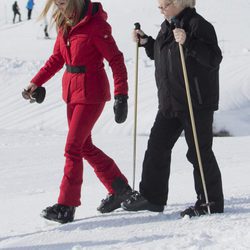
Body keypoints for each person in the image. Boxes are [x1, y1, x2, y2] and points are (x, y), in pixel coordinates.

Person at [24, 0, 132, 224]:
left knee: (72, 148)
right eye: (56, 2)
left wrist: (121, 94)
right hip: (72, 92)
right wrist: (36, 82)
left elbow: (116, 59)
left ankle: (67, 206)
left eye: (63, 1)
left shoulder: (96, 26)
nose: (59, 5)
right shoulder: (65, 23)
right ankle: (118, 187)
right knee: (84, 146)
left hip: (92, 93)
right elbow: (57, 58)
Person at [122, 0, 224, 218]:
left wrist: (189, 42)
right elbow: (163, 54)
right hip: (171, 100)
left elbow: (214, 58)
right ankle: (152, 197)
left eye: (165, 4)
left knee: (198, 152)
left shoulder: (199, 25)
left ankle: (210, 202)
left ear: (180, 2)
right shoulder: (167, 27)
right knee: (157, 146)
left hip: (195, 101)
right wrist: (147, 42)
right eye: (159, 6)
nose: (161, 9)